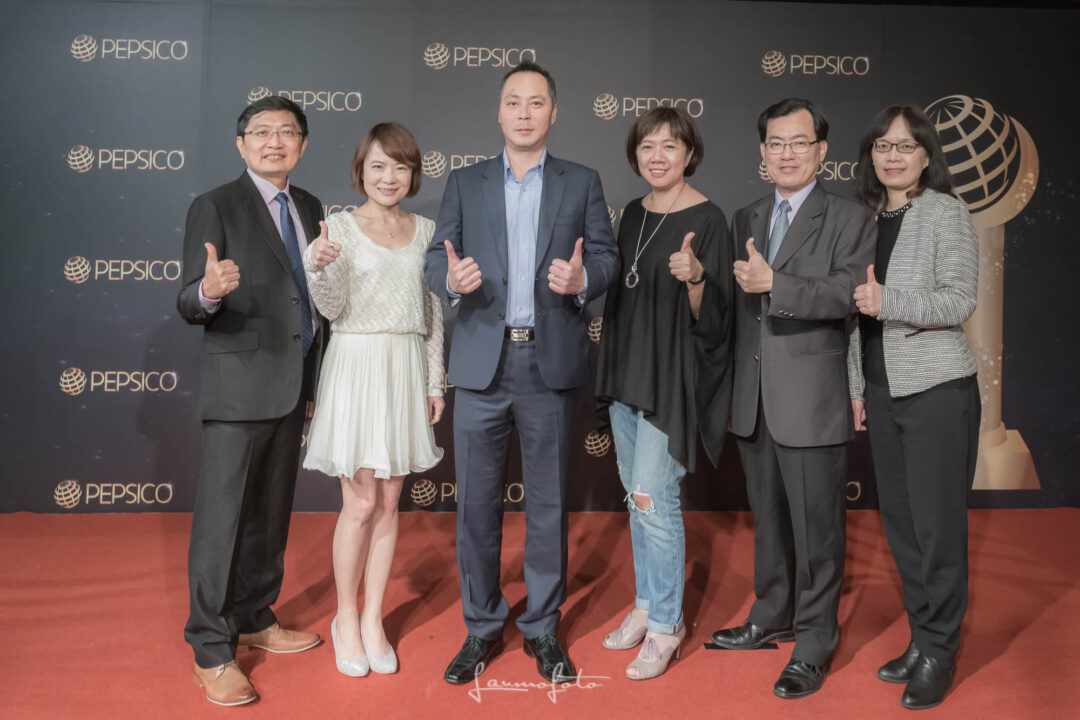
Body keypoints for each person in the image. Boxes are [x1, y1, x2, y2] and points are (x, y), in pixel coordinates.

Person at [424, 60, 619, 685]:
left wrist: (583, 279)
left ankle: (542, 627)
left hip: (550, 362)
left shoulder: (581, 181)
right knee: (476, 507)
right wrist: (451, 281)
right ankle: (481, 626)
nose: (525, 113)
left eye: (537, 102)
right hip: (481, 362)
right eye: (514, 101)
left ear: (553, 112)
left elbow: (607, 257)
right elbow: (436, 259)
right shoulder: (465, 181)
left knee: (548, 507)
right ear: (499, 111)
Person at [710, 98, 875, 699]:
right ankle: (771, 613)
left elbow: (847, 293)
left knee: (818, 532)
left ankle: (815, 640)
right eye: (776, 143)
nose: (787, 153)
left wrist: (775, 283)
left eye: (799, 142)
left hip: (811, 399)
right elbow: (736, 313)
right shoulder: (747, 215)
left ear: (821, 151)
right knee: (770, 522)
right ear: (762, 151)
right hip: (754, 399)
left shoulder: (850, 217)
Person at [177, 96, 328, 707]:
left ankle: (255, 616)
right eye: (261, 132)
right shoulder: (215, 204)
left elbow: (313, 295)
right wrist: (208, 291)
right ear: (241, 144)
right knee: (222, 524)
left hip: (294, 384)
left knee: (270, 513)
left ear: (303, 144)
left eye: (287, 132)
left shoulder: (310, 206)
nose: (274, 142)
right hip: (238, 390)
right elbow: (187, 299)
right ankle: (211, 650)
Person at [301, 122, 445, 678]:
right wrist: (318, 267)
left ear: (413, 174)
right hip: (356, 365)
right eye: (379, 166)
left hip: (405, 366)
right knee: (359, 504)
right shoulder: (337, 227)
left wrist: (434, 382)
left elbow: (432, 315)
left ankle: (373, 619)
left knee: (389, 503)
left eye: (400, 167)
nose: (389, 178)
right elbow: (332, 308)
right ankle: (344, 617)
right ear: (361, 170)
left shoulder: (427, 230)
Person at [848, 105, 979, 711]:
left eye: (905, 145)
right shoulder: (866, 218)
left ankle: (941, 651)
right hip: (881, 392)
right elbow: (855, 319)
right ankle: (923, 637)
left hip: (937, 391)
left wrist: (889, 301)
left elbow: (959, 300)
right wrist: (857, 388)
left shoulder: (945, 212)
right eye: (883, 146)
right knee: (901, 527)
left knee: (937, 528)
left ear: (927, 155)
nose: (893, 156)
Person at [594, 107, 733, 680]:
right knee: (636, 498)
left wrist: (696, 278)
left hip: (671, 382)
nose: (657, 156)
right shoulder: (632, 213)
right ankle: (647, 605)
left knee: (654, 497)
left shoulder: (709, 217)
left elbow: (717, 321)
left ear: (689, 154)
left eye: (670, 146)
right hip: (627, 374)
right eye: (647, 146)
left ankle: (668, 624)